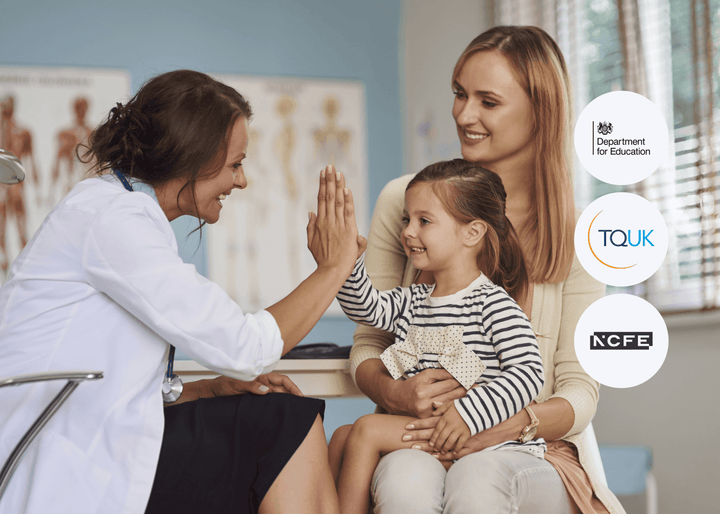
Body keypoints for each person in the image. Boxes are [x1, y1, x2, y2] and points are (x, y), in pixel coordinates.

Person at [0, 70, 364, 514]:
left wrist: (207, 390)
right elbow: (246, 346)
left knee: (276, 417)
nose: (242, 181)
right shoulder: (115, 220)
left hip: (86, 435)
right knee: (282, 423)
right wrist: (335, 267)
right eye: (235, 164)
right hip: (60, 463)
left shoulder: (113, 210)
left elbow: (116, 381)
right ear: (193, 158)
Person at [349, 26, 625, 513]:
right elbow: (370, 343)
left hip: (530, 446)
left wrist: (505, 424)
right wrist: (395, 391)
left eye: (487, 101)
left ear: (541, 111)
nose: (463, 114)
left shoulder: (577, 234)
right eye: (459, 94)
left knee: (479, 477)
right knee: (403, 481)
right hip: (421, 435)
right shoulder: (405, 201)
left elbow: (580, 392)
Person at [330, 159, 545, 514]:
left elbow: (527, 373)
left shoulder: (492, 304)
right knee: (340, 438)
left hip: (469, 434)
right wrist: (344, 261)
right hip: (426, 427)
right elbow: (364, 308)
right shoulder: (412, 300)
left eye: (424, 221)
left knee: (366, 430)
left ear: (472, 233)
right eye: (407, 220)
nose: (408, 232)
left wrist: (467, 414)